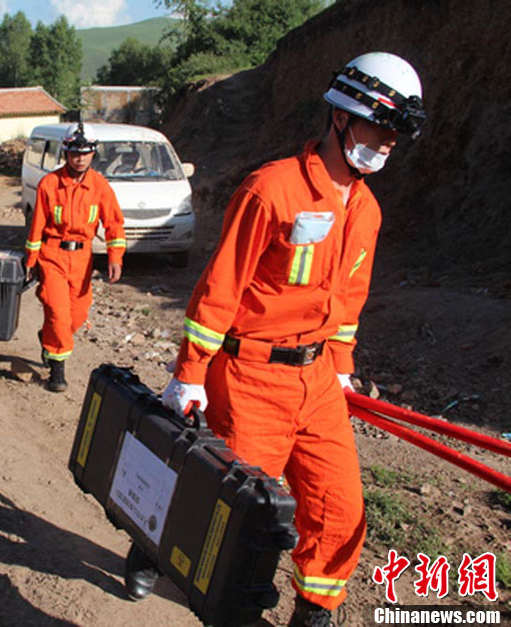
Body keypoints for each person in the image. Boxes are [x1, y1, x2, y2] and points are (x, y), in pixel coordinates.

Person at [135, 53, 427, 626]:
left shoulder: (365, 209)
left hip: (316, 383)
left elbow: (349, 302)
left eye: (398, 135)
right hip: (249, 380)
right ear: (342, 118)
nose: (388, 143)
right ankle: (150, 546)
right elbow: (219, 289)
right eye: (381, 128)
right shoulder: (272, 190)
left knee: (338, 510)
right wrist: (190, 372)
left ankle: (313, 615)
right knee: (235, 518)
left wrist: (340, 363)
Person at [24, 122, 126, 392]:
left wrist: (116, 257)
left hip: (82, 260)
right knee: (57, 312)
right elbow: (36, 227)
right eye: (74, 152)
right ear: (65, 152)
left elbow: (114, 224)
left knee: (77, 316)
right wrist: (31, 261)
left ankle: (48, 338)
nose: (80, 158)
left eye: (86, 152)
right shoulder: (49, 184)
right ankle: (57, 372)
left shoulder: (100, 186)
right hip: (52, 256)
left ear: (93, 153)